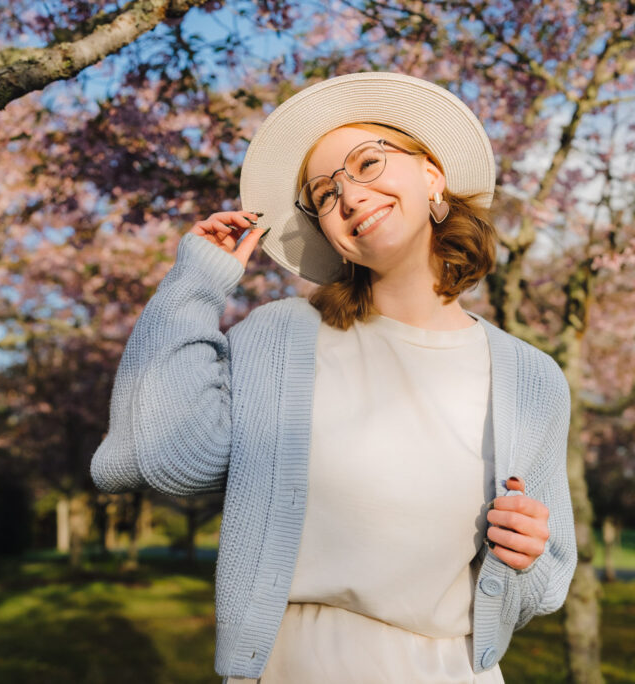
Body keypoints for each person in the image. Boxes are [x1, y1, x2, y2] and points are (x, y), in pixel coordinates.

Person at [91, 71, 576, 683]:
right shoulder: (282, 336)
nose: (348, 196)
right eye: (324, 194)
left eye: (368, 162)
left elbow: (549, 581)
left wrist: (527, 552)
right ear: (330, 233)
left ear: (432, 176)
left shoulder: (532, 378)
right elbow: (155, 455)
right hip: (299, 666)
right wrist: (194, 285)